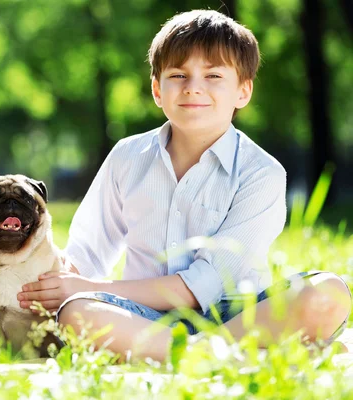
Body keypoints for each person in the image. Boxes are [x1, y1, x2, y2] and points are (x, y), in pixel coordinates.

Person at [17, 10, 351, 361]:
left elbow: (205, 285)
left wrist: (89, 286)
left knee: (328, 292)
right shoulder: (127, 157)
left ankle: (197, 353)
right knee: (76, 311)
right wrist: (65, 284)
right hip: (142, 316)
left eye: (213, 75)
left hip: (239, 316)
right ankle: (229, 356)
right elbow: (87, 253)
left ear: (243, 91)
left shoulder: (262, 173)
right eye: (178, 75)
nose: (193, 86)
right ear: (157, 90)